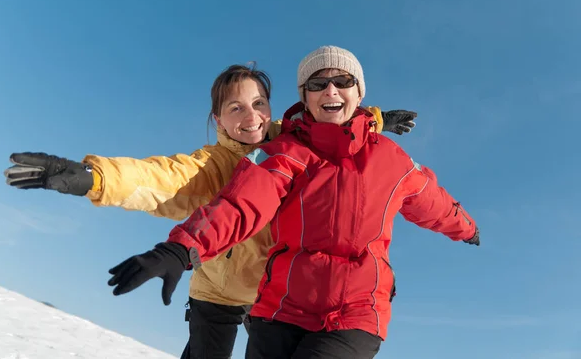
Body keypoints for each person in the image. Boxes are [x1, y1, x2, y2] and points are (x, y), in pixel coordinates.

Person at [4, 61, 418, 359]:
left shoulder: (295, 143)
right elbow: (159, 178)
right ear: (218, 119)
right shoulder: (213, 165)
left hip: (272, 295)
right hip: (218, 290)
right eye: (235, 108)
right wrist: (96, 178)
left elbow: (337, 124)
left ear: (272, 109)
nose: (250, 116)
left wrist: (376, 119)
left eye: (258, 104)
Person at [106, 45, 480, 359]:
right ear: (305, 96)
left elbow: (433, 201)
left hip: (355, 313)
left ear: (359, 93)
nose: (331, 90)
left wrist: (467, 227)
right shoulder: (285, 152)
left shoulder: (391, 160)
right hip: (279, 309)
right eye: (318, 84)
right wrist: (179, 249)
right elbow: (241, 204)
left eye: (343, 81)